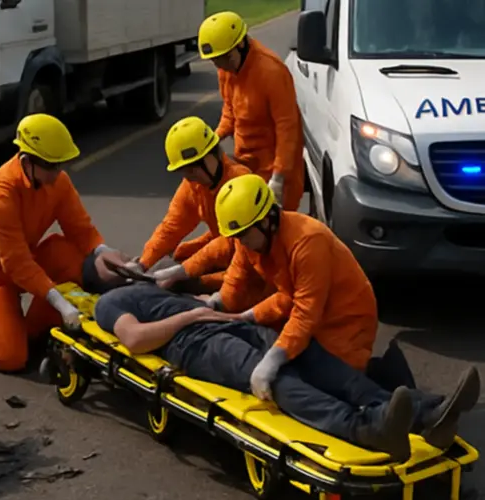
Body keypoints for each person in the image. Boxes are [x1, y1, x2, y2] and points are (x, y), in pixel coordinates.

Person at [93, 283, 481, 460]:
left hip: (230, 325)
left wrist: (195, 294)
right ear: (96, 275)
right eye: (107, 261)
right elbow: (135, 339)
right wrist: (192, 314)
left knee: (307, 354)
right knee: (279, 380)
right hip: (198, 346)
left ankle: (427, 411)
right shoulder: (110, 301)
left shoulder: (156, 287)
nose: (123, 259)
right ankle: (365, 428)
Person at [0, 113, 129, 372]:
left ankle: (30, 330)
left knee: (70, 257)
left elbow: (80, 229)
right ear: (26, 161)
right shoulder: (0, 195)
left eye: (60, 164)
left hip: (24, 260)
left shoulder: (56, 181)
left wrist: (103, 252)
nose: (58, 172)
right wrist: (61, 303)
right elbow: (15, 263)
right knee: (8, 357)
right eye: (51, 166)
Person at [206, 173, 383, 403]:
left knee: (335, 385)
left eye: (244, 234)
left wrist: (272, 359)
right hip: (314, 314)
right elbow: (239, 282)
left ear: (267, 219)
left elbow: (305, 313)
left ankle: (407, 407)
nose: (241, 241)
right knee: (297, 365)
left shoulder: (308, 241)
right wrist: (217, 305)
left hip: (346, 321)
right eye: (236, 236)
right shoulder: (252, 238)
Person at [124, 117, 250, 292]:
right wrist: (143, 264)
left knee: (188, 282)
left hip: (249, 262)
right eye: (183, 171)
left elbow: (232, 242)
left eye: (192, 168)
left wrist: (185, 271)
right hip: (221, 253)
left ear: (212, 154)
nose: (189, 176)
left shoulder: (241, 183)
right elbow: (171, 228)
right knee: (177, 257)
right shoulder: (193, 186)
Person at [198, 11, 305, 211]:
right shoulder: (227, 69)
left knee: (276, 233)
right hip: (246, 165)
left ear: (240, 45)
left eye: (224, 58)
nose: (220, 66)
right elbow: (230, 111)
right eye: (215, 61)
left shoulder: (270, 71)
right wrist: (214, 138)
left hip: (276, 169)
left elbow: (288, 128)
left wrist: (279, 178)